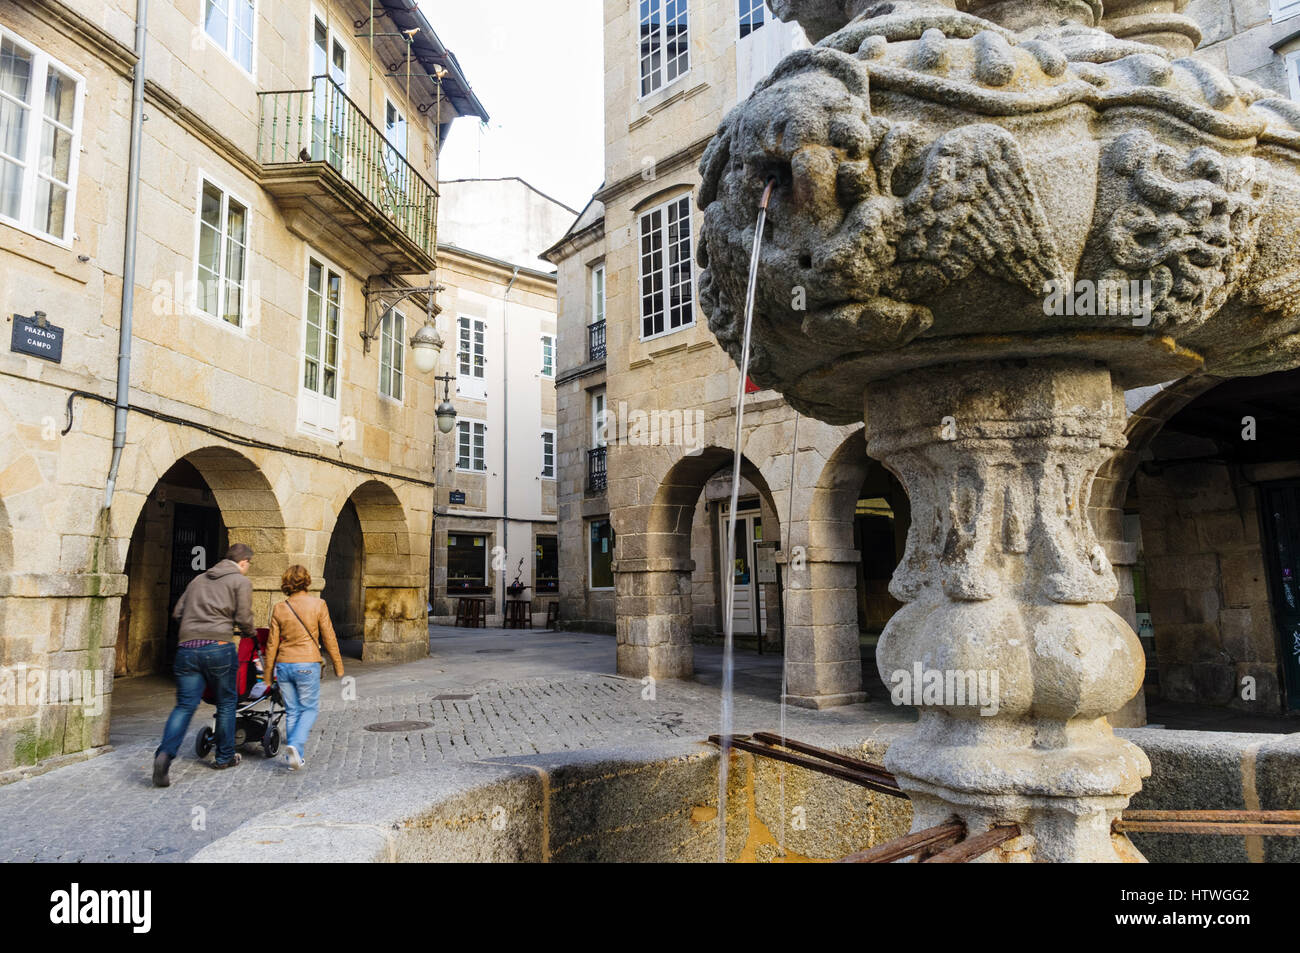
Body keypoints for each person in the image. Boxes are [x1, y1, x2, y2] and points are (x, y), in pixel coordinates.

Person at [153, 543, 255, 786]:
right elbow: (243, 617)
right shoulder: (240, 582)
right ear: (244, 562)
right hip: (219, 647)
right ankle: (224, 757)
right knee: (227, 703)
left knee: (184, 706)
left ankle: (165, 754)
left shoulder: (197, 580)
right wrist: (249, 633)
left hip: (187, 649)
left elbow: (178, 612)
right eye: (249, 563)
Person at [264, 565, 344, 770]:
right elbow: (329, 636)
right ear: (307, 581)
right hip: (307, 664)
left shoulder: (280, 608)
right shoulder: (318, 604)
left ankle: (295, 758)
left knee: (292, 711)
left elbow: (271, 644)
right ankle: (295, 746)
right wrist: (338, 664)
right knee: (309, 708)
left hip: (284, 665)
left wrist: (267, 674)